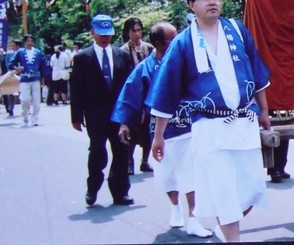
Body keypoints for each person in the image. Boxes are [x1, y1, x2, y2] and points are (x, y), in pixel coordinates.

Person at [147, 0, 271, 243]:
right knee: (224, 192)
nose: (213, 2)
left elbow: (258, 76)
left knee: (252, 190)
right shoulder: (182, 43)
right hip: (209, 127)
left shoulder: (237, 31)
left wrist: (264, 111)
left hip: (244, 123)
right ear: (192, 5)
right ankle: (232, 238)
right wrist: (158, 136)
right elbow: (166, 91)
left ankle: (224, 231)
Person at [112, 22, 212, 238]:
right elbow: (130, 95)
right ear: (159, 44)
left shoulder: (186, 62)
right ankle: (175, 207)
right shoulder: (145, 68)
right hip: (159, 130)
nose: (177, 41)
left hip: (185, 125)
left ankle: (194, 219)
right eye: (172, 39)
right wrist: (124, 123)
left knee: (190, 174)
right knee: (166, 175)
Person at [70, 14, 134, 207]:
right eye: (101, 34)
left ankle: (120, 192)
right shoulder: (82, 58)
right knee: (98, 152)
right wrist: (76, 116)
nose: (105, 39)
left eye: (108, 35)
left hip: (118, 115)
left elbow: (129, 86)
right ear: (92, 33)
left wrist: (132, 112)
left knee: (121, 153)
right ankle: (93, 188)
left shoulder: (122, 55)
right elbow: (76, 89)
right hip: (95, 115)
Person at [121, 17, 155, 174]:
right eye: (134, 30)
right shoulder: (123, 51)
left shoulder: (149, 49)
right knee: (132, 131)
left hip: (149, 93)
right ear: (128, 32)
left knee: (148, 130)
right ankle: (128, 161)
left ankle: (145, 160)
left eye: (139, 30)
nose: (137, 33)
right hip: (133, 94)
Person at [11, 34, 49, 127]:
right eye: (28, 41)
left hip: (36, 78)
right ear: (25, 42)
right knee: (25, 99)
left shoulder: (38, 52)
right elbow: (11, 63)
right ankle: (25, 116)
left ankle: (35, 119)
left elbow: (44, 66)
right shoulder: (20, 52)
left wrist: (44, 78)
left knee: (36, 100)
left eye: (31, 41)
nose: (29, 43)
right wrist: (17, 68)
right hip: (24, 78)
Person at [1, 39, 20, 116]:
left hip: (22, 74)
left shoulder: (22, 52)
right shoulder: (9, 54)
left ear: (17, 45)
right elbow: (7, 63)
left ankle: (25, 108)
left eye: (13, 45)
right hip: (12, 73)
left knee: (23, 92)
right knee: (11, 92)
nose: (12, 46)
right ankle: (10, 109)